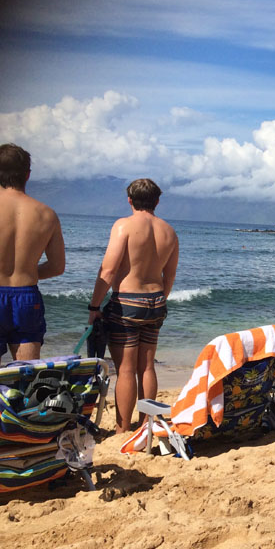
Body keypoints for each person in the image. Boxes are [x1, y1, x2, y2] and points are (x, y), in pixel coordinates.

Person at [88, 179, 178, 434]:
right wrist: (158, 301)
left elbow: (108, 269)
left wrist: (94, 306)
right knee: (147, 367)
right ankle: (146, 425)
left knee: (125, 369)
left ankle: (122, 429)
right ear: (157, 201)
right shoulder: (169, 232)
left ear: (129, 200)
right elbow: (169, 277)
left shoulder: (124, 226)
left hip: (128, 301)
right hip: (156, 301)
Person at [0, 144, 65, 396]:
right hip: (26, 297)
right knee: (27, 377)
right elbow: (57, 267)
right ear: (28, 174)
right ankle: (23, 433)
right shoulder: (46, 214)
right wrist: (26, 271)